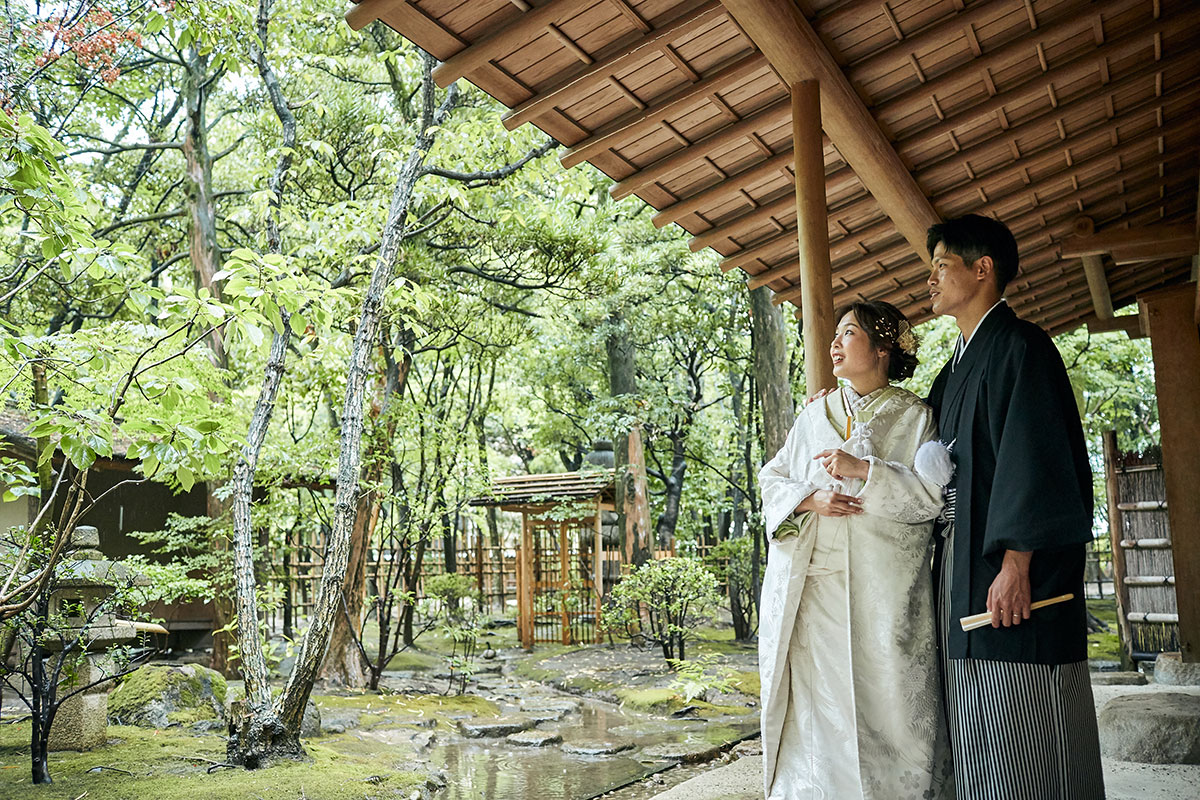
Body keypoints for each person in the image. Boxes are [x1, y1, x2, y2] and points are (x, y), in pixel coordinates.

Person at [925, 213, 1105, 800]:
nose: (929, 279)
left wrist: (1017, 562)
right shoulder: (952, 370)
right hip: (959, 565)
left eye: (941, 265)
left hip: (1009, 568)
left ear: (983, 269)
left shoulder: (1022, 346)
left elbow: (1038, 457)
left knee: (1026, 721)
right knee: (974, 720)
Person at [758, 300, 954, 800]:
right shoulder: (814, 415)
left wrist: (866, 470)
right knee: (818, 712)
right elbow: (773, 477)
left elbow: (931, 500)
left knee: (889, 702)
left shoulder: (914, 417)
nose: (834, 343)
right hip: (819, 595)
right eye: (836, 334)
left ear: (883, 348)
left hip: (884, 594)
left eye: (849, 333)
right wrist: (809, 499)